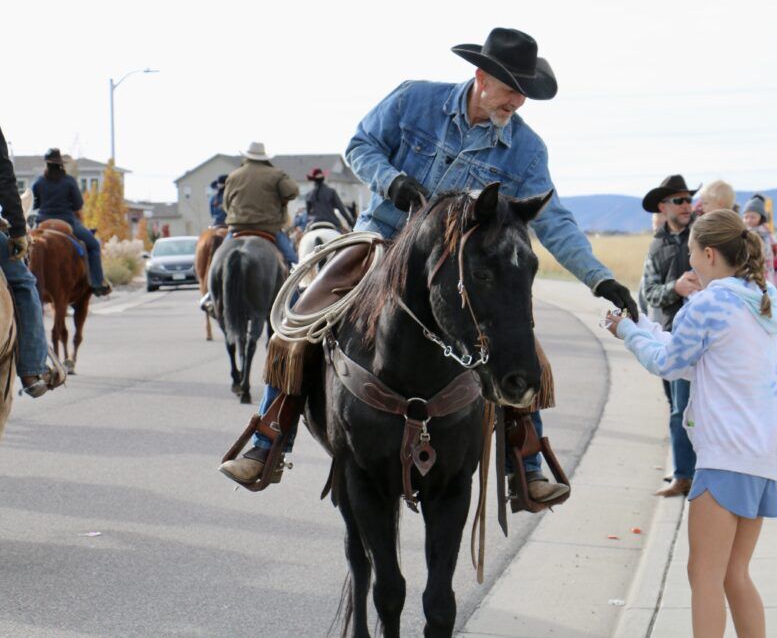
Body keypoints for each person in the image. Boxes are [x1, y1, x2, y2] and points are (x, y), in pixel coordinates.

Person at [220, 28, 638, 505]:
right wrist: (393, 181)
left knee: (520, 347)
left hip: (458, 266)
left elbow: (554, 220)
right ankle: (269, 438)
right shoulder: (415, 100)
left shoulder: (526, 150)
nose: (517, 102)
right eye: (510, 89)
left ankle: (526, 461)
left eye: (524, 93)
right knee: (299, 320)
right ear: (481, 76)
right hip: (380, 239)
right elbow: (361, 145)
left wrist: (599, 278)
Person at [605, 209, 777, 638]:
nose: (688, 265)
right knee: (734, 574)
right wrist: (641, 326)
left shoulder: (709, 303)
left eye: (691, 255)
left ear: (709, 254)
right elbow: (696, 362)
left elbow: (668, 364)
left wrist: (627, 334)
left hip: (727, 452)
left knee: (703, 574)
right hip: (764, 452)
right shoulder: (761, 300)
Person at [640, 174, 702, 497]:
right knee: (675, 406)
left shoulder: (703, 236)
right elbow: (649, 292)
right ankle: (686, 471)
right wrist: (674, 288)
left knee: (684, 409)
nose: (686, 206)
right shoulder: (656, 245)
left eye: (688, 199)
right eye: (679, 201)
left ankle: (685, 476)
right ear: (663, 207)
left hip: (697, 334)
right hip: (667, 332)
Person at [0, 129, 65, 397]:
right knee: (24, 283)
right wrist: (17, 230)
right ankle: (32, 370)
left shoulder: (39, 182)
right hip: (63, 218)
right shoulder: (69, 183)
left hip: (43, 216)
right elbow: (5, 179)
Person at [31, 148, 110, 296]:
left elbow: (34, 205)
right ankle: (97, 283)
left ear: (47, 165)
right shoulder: (69, 181)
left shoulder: (38, 182)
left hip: (43, 222)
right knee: (93, 245)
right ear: (61, 164)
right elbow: (78, 204)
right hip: (67, 221)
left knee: (25, 246)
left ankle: (20, 283)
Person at [223, 142, 299, 266]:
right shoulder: (276, 174)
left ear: (247, 156)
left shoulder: (233, 176)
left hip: (238, 227)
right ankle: (295, 280)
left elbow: (226, 205)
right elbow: (292, 192)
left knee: (216, 258)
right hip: (268, 228)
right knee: (293, 260)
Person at [742, 194, 777, 370]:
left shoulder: (767, 237)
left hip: (766, 284)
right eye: (746, 216)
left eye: (752, 216)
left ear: (761, 217)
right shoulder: (745, 235)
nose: (748, 219)